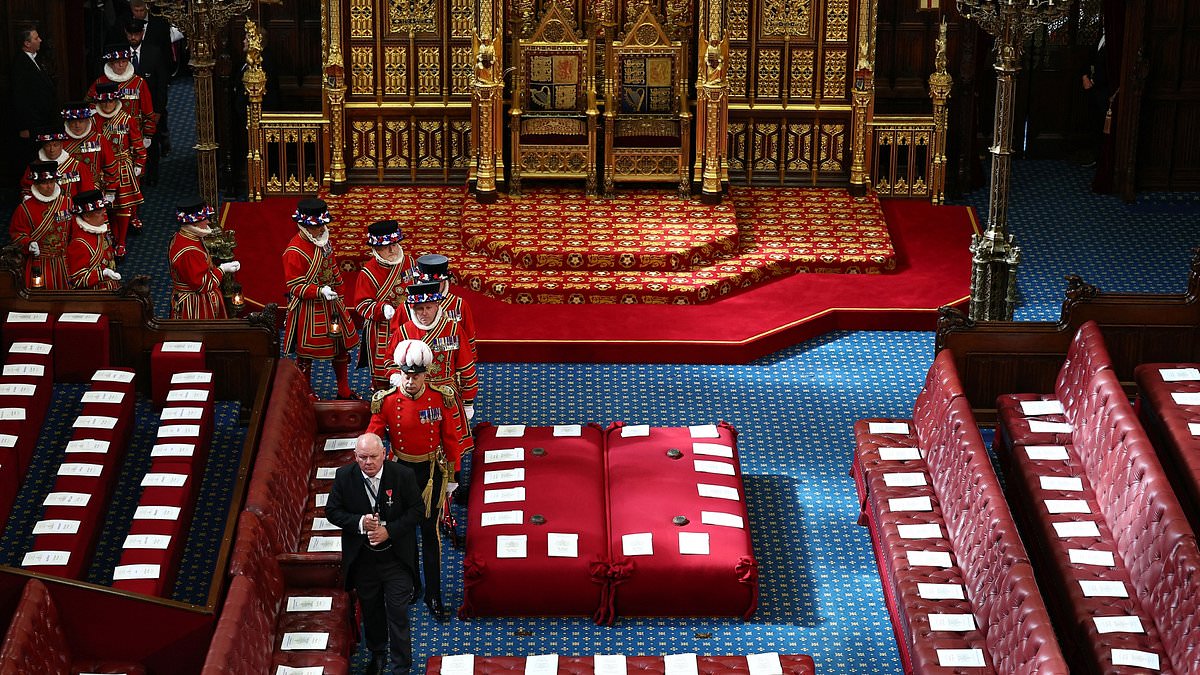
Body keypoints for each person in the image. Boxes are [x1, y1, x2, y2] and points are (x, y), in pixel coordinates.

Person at [368, 339, 473, 622]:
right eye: (406, 375)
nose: (410, 381)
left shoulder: (440, 398)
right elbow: (374, 438)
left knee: (430, 534)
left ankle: (433, 594)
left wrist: (452, 477)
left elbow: (451, 440)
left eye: (415, 376)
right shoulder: (387, 401)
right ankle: (413, 584)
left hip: (430, 474)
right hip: (400, 471)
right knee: (403, 532)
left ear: (426, 374)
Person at [324, 432, 423, 675]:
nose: (368, 462)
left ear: (384, 454)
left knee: (398, 611)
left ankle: (401, 665)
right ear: (355, 456)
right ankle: (378, 654)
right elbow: (332, 511)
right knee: (372, 610)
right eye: (362, 457)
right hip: (364, 560)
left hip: (395, 559)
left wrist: (389, 531)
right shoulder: (344, 477)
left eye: (373, 457)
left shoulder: (402, 476)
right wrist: (359, 522)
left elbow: (417, 511)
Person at [413, 254, 479, 504]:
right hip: (417, 393)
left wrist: (469, 397)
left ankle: (456, 484)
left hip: (449, 391)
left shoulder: (459, 306)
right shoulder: (408, 316)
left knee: (454, 440)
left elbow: (468, 349)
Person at [282, 198, 361, 399]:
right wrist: (319, 291)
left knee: (340, 348)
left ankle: (344, 390)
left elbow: (332, 265)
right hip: (310, 309)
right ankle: (306, 391)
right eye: (318, 226)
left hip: (332, 303)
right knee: (306, 354)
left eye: (323, 224)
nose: (322, 229)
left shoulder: (323, 240)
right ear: (305, 226)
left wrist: (339, 290)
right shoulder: (294, 251)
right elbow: (295, 286)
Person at [387, 280, 479, 430]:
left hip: (445, 395)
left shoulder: (453, 330)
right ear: (412, 309)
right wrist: (394, 375)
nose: (424, 313)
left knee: (447, 438)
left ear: (437, 306)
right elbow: (389, 361)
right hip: (412, 393)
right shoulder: (403, 332)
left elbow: (466, 367)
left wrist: (468, 401)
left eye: (429, 307)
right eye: (419, 308)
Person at [353, 220, 419, 391]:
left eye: (395, 244)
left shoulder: (410, 262)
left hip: (409, 325)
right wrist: (381, 309)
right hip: (382, 329)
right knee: (384, 373)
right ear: (375, 249)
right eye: (386, 246)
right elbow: (361, 305)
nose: (392, 250)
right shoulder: (367, 273)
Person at [93, 79, 145, 260]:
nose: (107, 105)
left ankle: (121, 242)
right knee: (107, 207)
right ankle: (111, 237)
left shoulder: (127, 119)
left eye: (111, 101)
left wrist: (139, 164)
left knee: (124, 206)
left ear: (116, 100)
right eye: (103, 101)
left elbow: (138, 143)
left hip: (122, 167)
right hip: (100, 170)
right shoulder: (93, 120)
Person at [168, 198, 240, 319]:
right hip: (195, 306)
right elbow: (203, 284)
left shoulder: (186, 236)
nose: (207, 222)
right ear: (193, 223)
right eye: (203, 219)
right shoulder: (190, 251)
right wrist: (222, 269)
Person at [8, 160, 74, 290]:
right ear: (36, 184)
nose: (49, 186)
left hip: (65, 263)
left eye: (51, 182)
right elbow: (16, 234)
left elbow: (75, 231)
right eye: (44, 183)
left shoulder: (67, 203)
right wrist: (28, 243)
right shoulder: (24, 209)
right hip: (39, 263)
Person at [123, 18, 168, 184]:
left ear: (142, 33)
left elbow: (162, 84)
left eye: (136, 34)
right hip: (128, 110)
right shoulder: (121, 55)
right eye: (130, 34)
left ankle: (153, 174)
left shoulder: (154, 52)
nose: (133, 37)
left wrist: (159, 110)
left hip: (150, 109)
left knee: (151, 142)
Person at [10, 27, 58, 162]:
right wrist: (23, 127)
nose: (40, 40)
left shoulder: (35, 59)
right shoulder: (20, 63)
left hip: (42, 119)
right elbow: (19, 97)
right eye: (36, 38)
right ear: (27, 43)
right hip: (32, 123)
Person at [66, 189, 121, 290]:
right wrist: (102, 273)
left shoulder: (101, 231)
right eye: (99, 211)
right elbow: (78, 279)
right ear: (86, 216)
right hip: (93, 297)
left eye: (103, 209)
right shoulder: (79, 243)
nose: (104, 213)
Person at [20, 126, 96, 199]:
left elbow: (87, 193)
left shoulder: (78, 167)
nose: (52, 150)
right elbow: (27, 191)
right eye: (48, 146)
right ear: (43, 146)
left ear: (62, 145)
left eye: (55, 145)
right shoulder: (34, 167)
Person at [61, 100, 115, 194]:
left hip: (94, 191)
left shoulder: (99, 139)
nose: (77, 125)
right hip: (68, 193)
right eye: (73, 122)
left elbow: (111, 167)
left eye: (81, 121)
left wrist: (111, 190)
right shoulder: (60, 143)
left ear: (87, 121)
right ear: (67, 122)